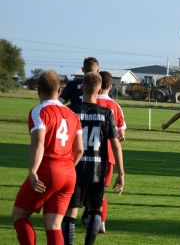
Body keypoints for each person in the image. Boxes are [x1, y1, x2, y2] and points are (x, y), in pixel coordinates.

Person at [12, 70, 84, 245]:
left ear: (38, 90)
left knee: (19, 215)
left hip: (48, 170)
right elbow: (80, 150)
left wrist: (33, 171)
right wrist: (67, 168)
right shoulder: (73, 115)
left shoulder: (39, 112)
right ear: (59, 91)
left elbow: (38, 142)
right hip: (69, 174)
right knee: (54, 225)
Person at [62, 72, 125, 245]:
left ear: (81, 88)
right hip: (97, 169)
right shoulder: (106, 113)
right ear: (100, 90)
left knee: (71, 211)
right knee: (95, 208)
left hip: (74, 168)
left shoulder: (70, 111)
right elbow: (116, 144)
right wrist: (121, 172)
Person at [80, 70, 127, 233]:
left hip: (84, 152)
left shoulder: (87, 101)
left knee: (81, 187)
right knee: (99, 190)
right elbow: (121, 134)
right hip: (108, 157)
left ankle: (80, 214)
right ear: (111, 86)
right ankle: (100, 223)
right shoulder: (115, 106)